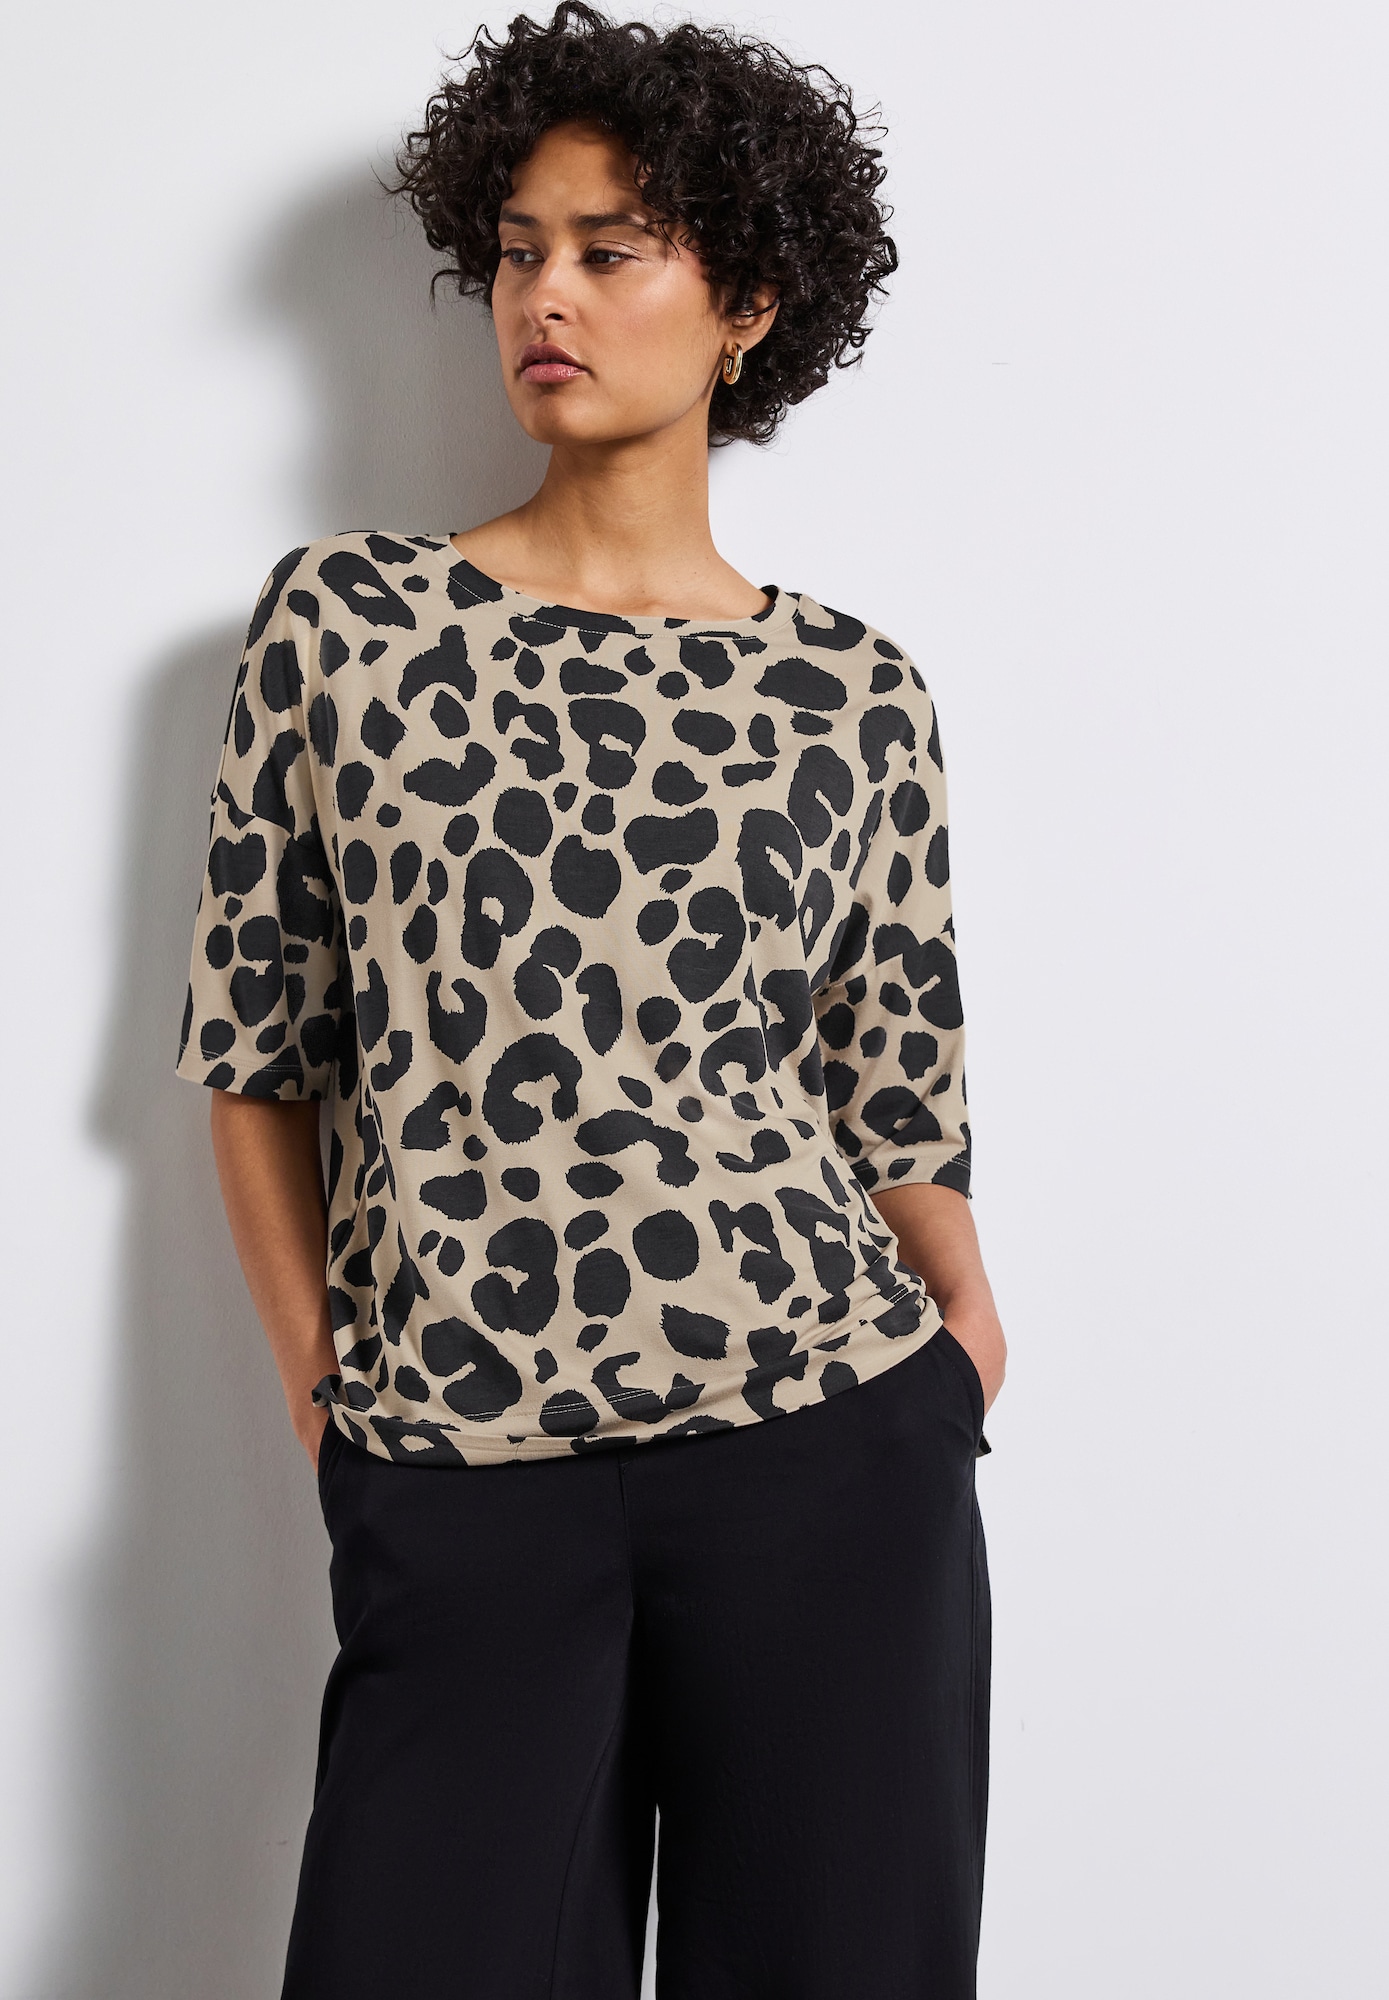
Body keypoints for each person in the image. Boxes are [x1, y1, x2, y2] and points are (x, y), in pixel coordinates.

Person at [176, 6, 1006, 1994]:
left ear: (746, 306)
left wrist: (955, 1346)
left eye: (609, 250)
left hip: (824, 1446)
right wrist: (328, 1398)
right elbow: (256, 1050)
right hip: (460, 1467)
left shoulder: (852, 690)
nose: (542, 296)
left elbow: (895, 1083)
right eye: (516, 250)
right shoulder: (346, 623)